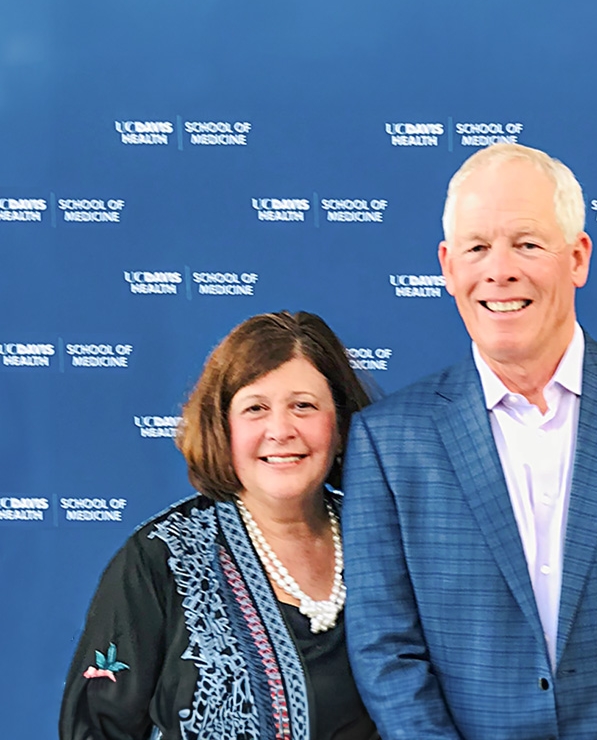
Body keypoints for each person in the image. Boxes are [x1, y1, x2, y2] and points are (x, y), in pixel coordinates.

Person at [342, 144, 597, 740]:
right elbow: (386, 648)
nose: (500, 270)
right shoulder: (390, 439)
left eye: (528, 243)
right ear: (447, 266)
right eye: (477, 247)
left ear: (578, 258)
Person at [60, 310, 378, 740]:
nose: (280, 429)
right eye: (255, 408)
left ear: (340, 427)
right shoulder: (161, 558)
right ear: (222, 428)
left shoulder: (384, 541)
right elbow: (95, 729)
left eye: (303, 406)